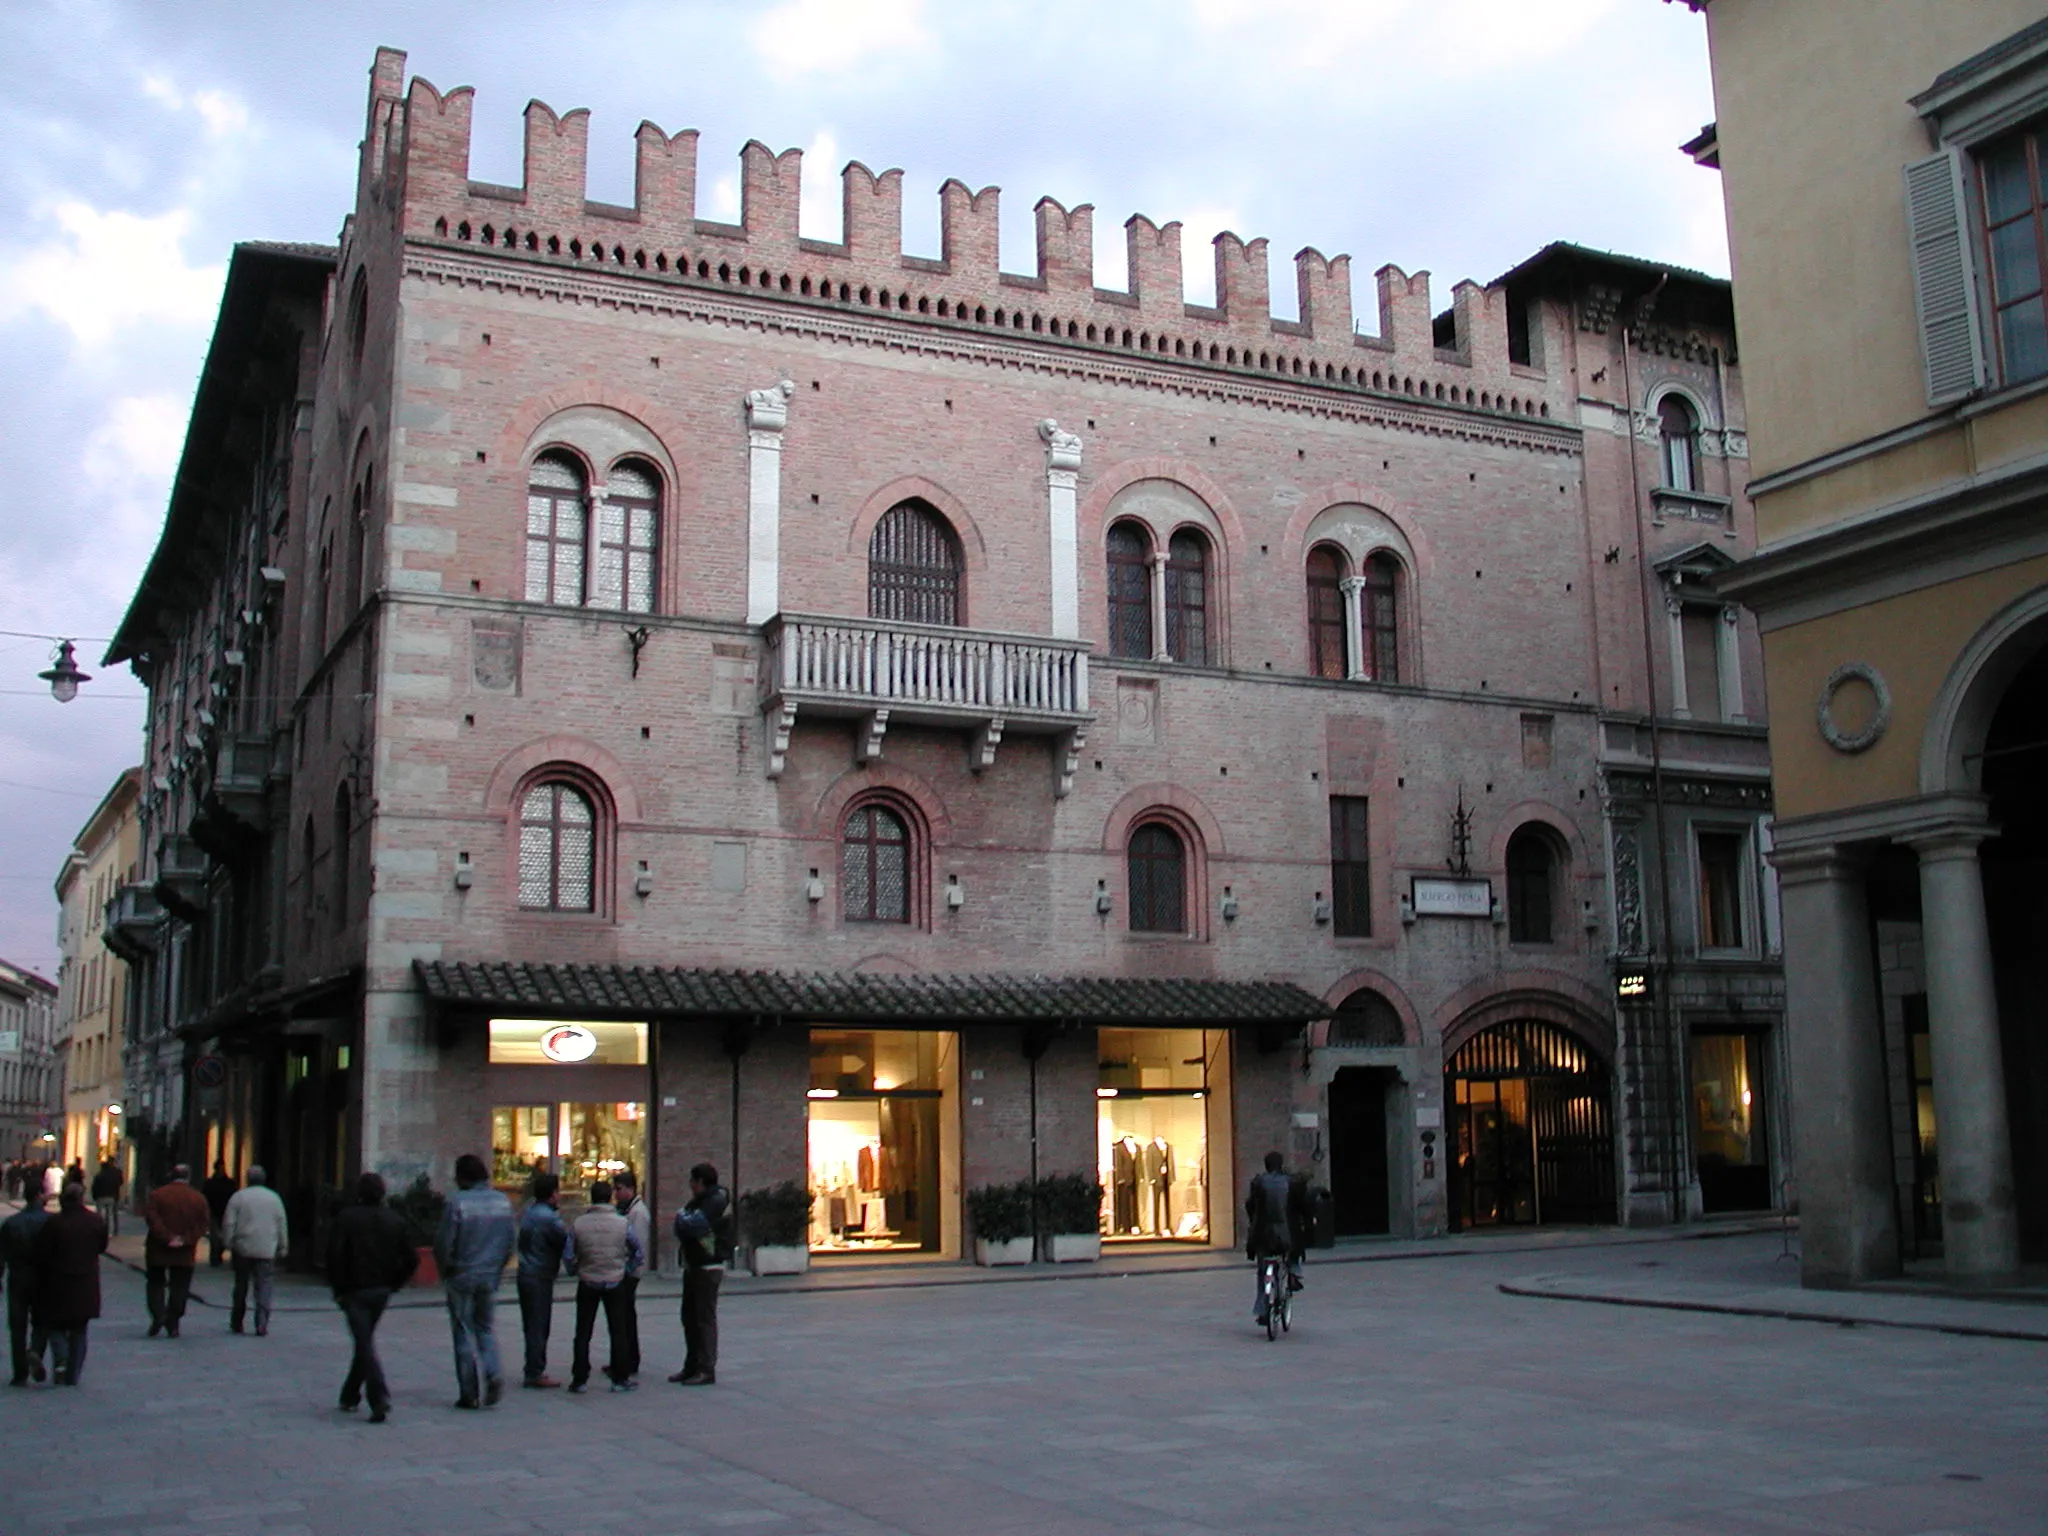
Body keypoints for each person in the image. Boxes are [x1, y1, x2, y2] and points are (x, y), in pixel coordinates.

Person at [326, 1171, 418, 1423]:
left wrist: (338, 1288)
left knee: (364, 1342)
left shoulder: (347, 1218)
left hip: (354, 1289)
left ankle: (378, 1397)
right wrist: (395, 1283)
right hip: (380, 1289)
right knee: (363, 1340)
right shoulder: (394, 1220)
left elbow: (334, 1255)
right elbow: (411, 1258)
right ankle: (350, 1394)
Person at [434, 1153, 514, 1409]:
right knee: (485, 1327)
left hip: (462, 1272)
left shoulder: (458, 1203)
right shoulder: (502, 1202)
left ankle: (469, 1391)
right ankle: (493, 1371)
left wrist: (446, 1269)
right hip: (489, 1274)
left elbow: (445, 1242)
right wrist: (498, 1267)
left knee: (463, 1330)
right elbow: (510, 1242)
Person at [562, 1178, 642, 1393]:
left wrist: (575, 1270)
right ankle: (620, 1378)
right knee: (618, 1330)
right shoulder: (622, 1223)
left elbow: (568, 1254)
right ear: (609, 1198)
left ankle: (579, 1379)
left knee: (583, 1331)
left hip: (588, 1279)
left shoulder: (579, 1223)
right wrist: (625, 1269)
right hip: (614, 1279)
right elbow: (638, 1251)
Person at [31, 1183, 106, 1386]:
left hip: (58, 1282)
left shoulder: (55, 1223)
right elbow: (102, 1246)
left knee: (57, 1326)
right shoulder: (95, 1221)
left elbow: (43, 1252)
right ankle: (73, 1374)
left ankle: (62, 1359)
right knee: (80, 1330)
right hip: (86, 1283)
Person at [668, 1162, 734, 1387]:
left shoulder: (715, 1201)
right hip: (694, 1263)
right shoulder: (702, 1201)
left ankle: (705, 1368)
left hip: (708, 1264)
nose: (690, 1186)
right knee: (689, 1316)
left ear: (700, 1183)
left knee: (703, 1318)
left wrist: (683, 1220)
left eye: (692, 1182)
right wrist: (683, 1220)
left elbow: (691, 1224)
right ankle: (692, 1365)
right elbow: (681, 1223)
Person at [142, 1164, 210, 1337]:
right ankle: (173, 1321)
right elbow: (202, 1225)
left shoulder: (157, 1195)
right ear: (188, 1177)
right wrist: (185, 1239)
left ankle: (158, 1314)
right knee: (180, 1285)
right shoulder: (198, 1198)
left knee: (156, 1282)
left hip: (158, 1248)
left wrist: (166, 1237)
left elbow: (151, 1218)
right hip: (184, 1251)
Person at [222, 1165, 289, 1336]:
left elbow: (229, 1222)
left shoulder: (239, 1197)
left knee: (241, 1285)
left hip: (243, 1247)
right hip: (266, 1248)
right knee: (264, 1285)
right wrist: (283, 1245)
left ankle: (237, 1321)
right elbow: (281, 1223)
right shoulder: (274, 1198)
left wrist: (228, 1242)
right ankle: (261, 1322)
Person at [1244, 1151, 1310, 1326]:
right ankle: (1294, 1274)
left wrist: (1254, 1222)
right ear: (1280, 1165)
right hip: (1286, 1234)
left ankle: (1262, 1309)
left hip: (1262, 1234)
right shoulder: (1291, 1182)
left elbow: (1250, 1205)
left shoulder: (1258, 1182)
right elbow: (1301, 1207)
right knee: (1293, 1253)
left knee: (1262, 1270)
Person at [514, 1170, 567, 1389]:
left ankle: (533, 1367)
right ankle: (535, 1371)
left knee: (530, 1324)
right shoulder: (550, 1219)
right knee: (539, 1324)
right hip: (540, 1274)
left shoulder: (528, 1211)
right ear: (553, 1194)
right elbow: (565, 1242)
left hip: (526, 1271)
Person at [1, 1187, 50, 1385]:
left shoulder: (11, 1223)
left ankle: (19, 1372)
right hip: (43, 1277)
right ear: (39, 1196)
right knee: (42, 1321)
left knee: (17, 1325)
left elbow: (1, 1253)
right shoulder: (50, 1222)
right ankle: (35, 1351)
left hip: (18, 1275)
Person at [611, 1169, 650, 1387]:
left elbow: (638, 1246)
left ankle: (629, 1360)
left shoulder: (638, 1213)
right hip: (624, 1269)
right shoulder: (626, 1210)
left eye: (620, 1189)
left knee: (625, 1316)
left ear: (631, 1189)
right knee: (623, 1317)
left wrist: (628, 1270)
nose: (616, 1194)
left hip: (629, 1271)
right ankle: (623, 1358)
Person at [201, 1161, 238, 1267]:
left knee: (218, 1237)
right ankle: (215, 1256)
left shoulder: (210, 1183)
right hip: (219, 1212)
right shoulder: (229, 1184)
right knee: (217, 1237)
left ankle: (216, 1256)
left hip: (220, 1211)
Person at [89, 1160, 123, 1236]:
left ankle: (100, 1230)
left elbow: (94, 1187)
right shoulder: (115, 1174)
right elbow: (120, 1183)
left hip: (100, 1197)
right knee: (109, 1215)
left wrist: (94, 1196)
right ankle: (109, 1231)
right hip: (112, 1196)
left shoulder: (99, 1175)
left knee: (99, 1215)